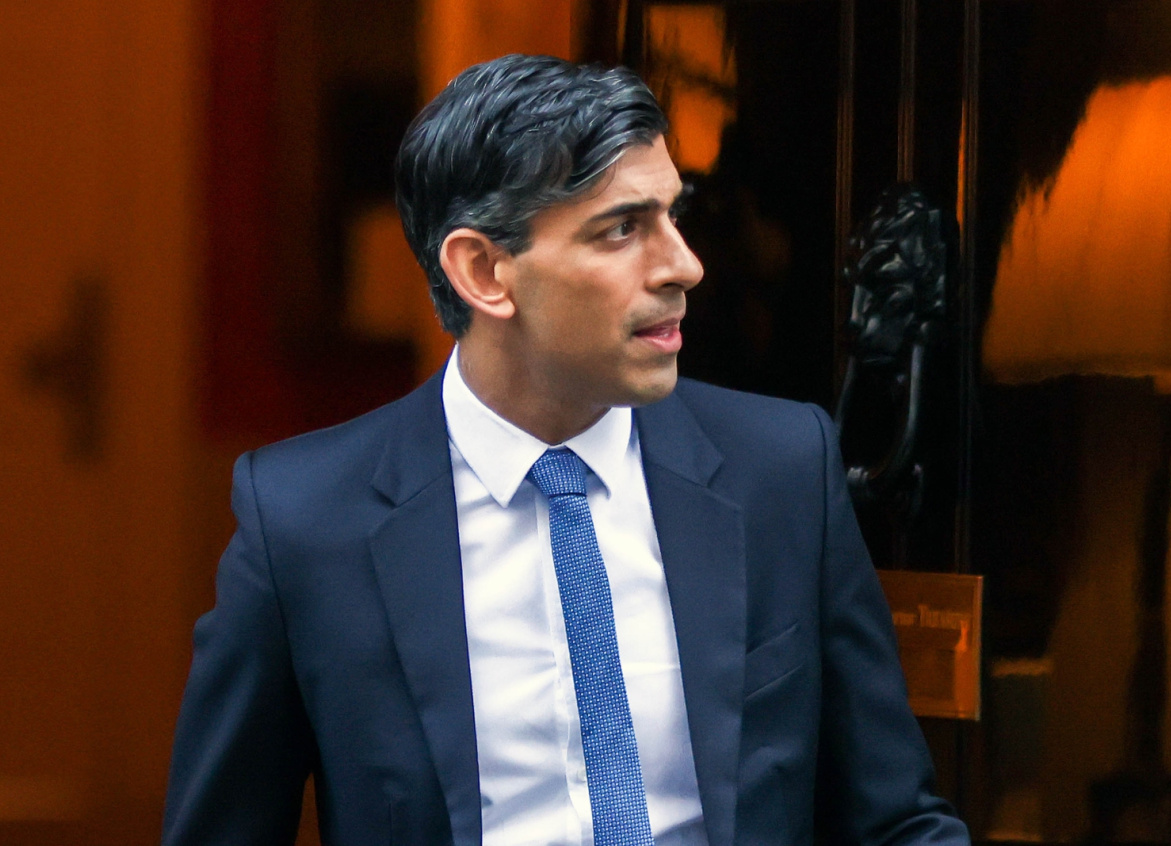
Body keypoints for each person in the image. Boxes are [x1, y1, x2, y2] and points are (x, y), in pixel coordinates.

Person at [163, 54, 970, 846]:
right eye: (621, 229)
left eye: (672, 216)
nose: (685, 266)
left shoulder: (781, 470)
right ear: (485, 271)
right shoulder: (304, 521)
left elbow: (896, 821)